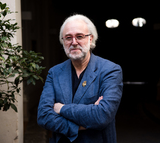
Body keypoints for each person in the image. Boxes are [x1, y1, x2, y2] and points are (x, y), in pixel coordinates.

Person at [37, 14, 123, 143]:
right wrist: (78, 126)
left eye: (80, 36)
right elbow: (43, 116)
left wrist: (61, 109)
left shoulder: (110, 70)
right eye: (68, 37)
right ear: (63, 41)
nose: (74, 42)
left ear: (90, 39)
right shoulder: (54, 72)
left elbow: (102, 116)